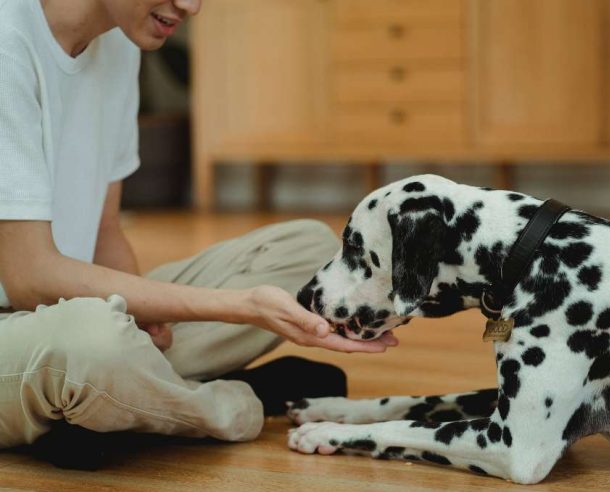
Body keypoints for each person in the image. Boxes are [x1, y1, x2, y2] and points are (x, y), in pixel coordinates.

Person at [0, 0, 399, 465]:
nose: (191, 6)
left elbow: (105, 232)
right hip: (31, 322)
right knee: (95, 345)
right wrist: (244, 308)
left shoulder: (119, 43)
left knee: (306, 250)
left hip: (69, 309)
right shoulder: (8, 41)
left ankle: (117, 402)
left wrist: (143, 322)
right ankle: (228, 404)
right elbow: (30, 277)